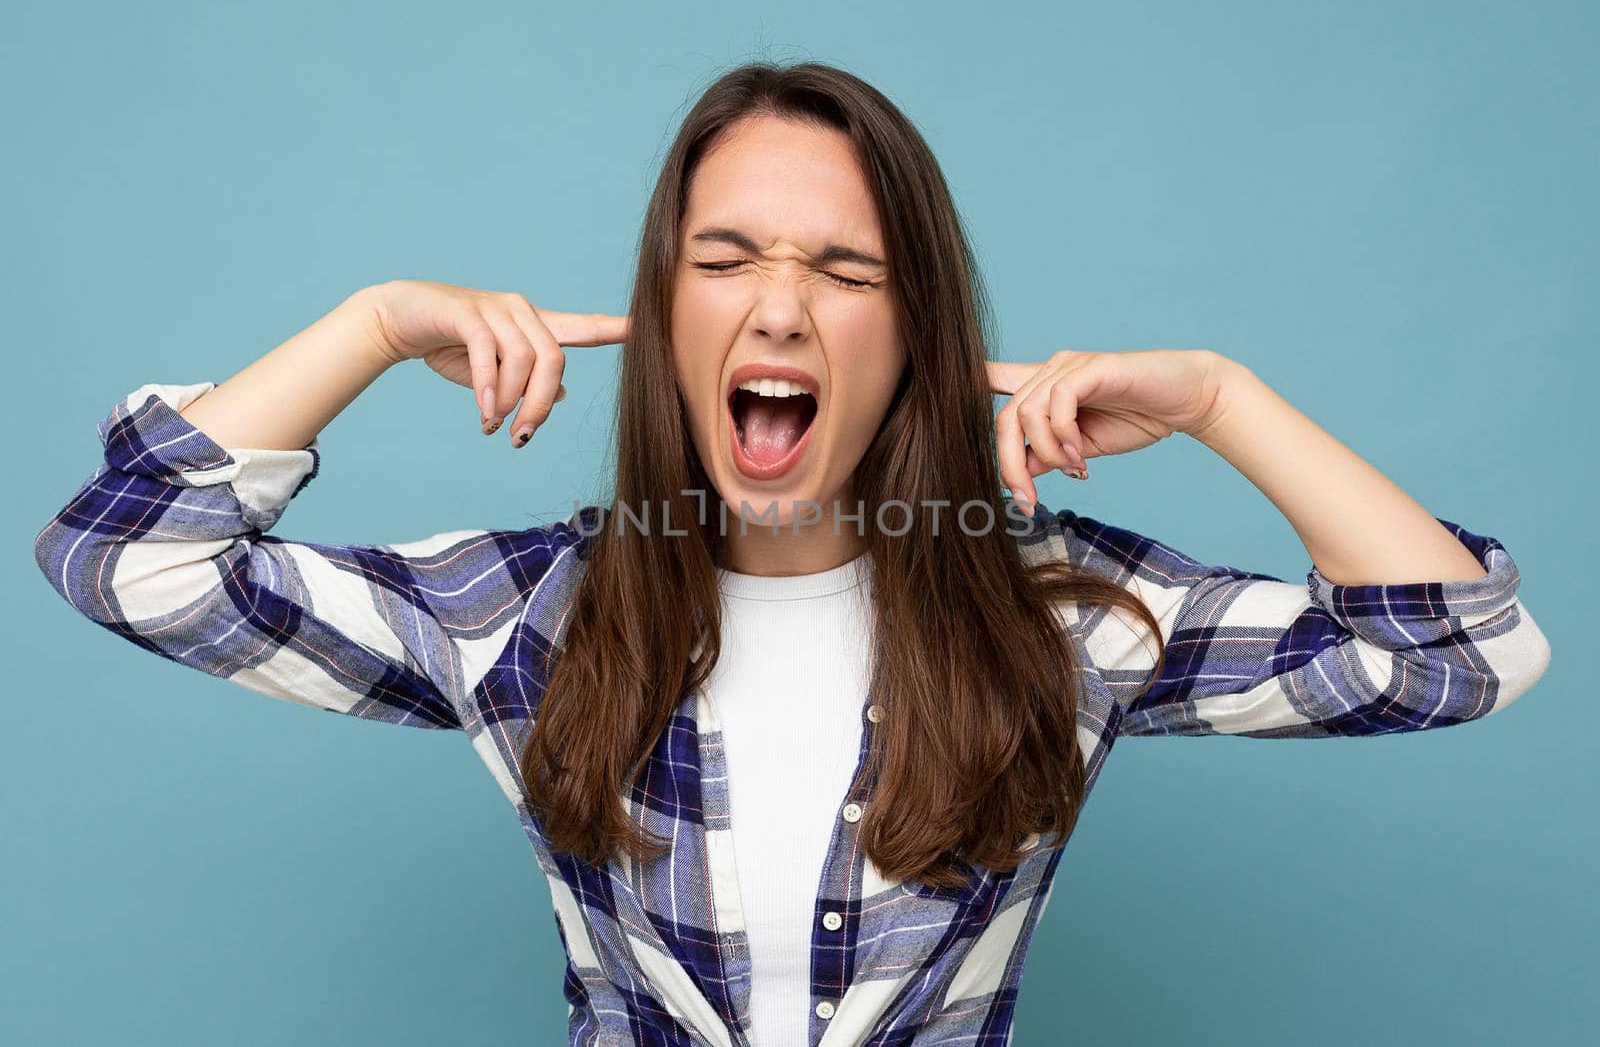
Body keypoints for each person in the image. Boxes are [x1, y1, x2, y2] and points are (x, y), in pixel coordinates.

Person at [33, 60, 1551, 1047]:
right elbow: (129, 559)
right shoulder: (521, 615)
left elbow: (1461, 653)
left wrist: (1226, 399)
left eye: (842, 269)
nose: (778, 310)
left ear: (915, 338)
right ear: (666, 315)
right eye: (724, 260)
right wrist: (369, 327)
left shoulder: (1065, 620)